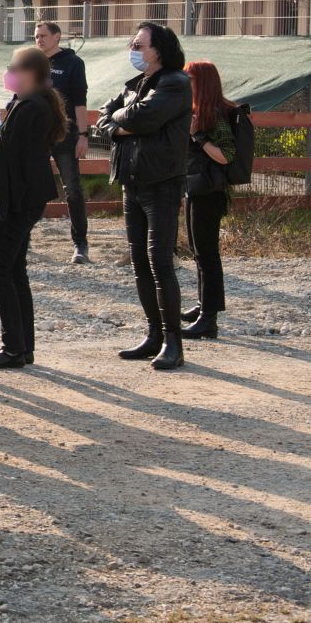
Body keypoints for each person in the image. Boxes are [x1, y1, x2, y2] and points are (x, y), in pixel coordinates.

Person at [100, 22, 193, 371]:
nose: (133, 50)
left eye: (139, 45)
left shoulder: (175, 82)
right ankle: (154, 334)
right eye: (132, 44)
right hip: (132, 183)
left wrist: (119, 122)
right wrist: (119, 125)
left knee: (160, 263)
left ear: (160, 50)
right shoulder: (134, 84)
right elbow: (102, 119)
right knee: (140, 262)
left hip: (162, 183)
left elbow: (144, 118)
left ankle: (173, 342)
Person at [0, 47, 64, 370]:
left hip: (16, 200)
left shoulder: (31, 107)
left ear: (30, 73)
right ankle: (23, 346)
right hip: (21, 198)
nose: (9, 74)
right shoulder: (29, 104)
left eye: (14, 68)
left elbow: (10, 155)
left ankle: (13, 346)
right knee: (13, 269)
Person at [181, 60, 237, 341]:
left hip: (209, 192)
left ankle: (209, 319)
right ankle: (203, 305)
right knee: (198, 251)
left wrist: (198, 137)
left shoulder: (215, 114)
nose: (185, 83)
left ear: (202, 82)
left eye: (189, 78)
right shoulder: (198, 112)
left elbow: (226, 155)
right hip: (195, 188)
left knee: (207, 254)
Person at [35, 21, 92, 263]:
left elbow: (80, 102)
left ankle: (80, 244)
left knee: (73, 189)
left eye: (43, 35)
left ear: (57, 36)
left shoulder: (72, 63)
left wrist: (83, 135)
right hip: (35, 134)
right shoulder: (32, 61)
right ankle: (22, 240)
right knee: (30, 186)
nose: (39, 40)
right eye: (36, 36)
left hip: (64, 134)